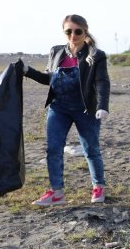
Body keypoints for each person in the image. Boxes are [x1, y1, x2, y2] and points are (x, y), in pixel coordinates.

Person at [23, 14, 110, 205]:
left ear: (85, 31)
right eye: (68, 31)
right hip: (58, 108)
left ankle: (98, 187)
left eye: (77, 31)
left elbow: (102, 82)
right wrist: (27, 71)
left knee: (90, 149)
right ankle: (57, 192)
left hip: (86, 109)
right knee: (53, 149)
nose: (73, 35)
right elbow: (49, 78)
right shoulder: (56, 52)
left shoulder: (96, 55)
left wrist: (103, 106)